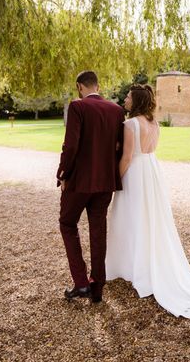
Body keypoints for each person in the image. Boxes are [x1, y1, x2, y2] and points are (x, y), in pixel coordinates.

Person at [106, 84, 190, 318]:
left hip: (136, 175)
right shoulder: (155, 124)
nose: (125, 99)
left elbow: (128, 157)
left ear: (137, 101)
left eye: (129, 96)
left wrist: (115, 180)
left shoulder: (130, 124)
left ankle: (134, 267)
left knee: (129, 217)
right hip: (151, 173)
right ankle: (141, 264)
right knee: (150, 219)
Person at [57, 70, 124, 303]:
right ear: (98, 85)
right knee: (98, 231)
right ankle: (97, 286)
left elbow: (71, 145)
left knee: (67, 224)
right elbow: (118, 147)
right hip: (105, 183)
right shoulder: (117, 110)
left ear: (79, 86)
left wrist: (62, 173)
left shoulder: (78, 107)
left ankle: (81, 283)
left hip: (79, 182)